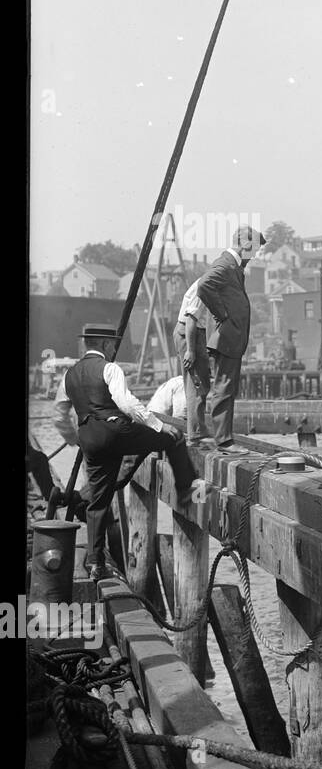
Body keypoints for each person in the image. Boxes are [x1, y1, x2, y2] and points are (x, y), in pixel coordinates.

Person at [52, 323, 198, 581]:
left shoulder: (69, 375)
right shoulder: (109, 368)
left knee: (98, 502)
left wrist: (75, 438)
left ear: (87, 344)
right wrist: (159, 426)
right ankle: (187, 490)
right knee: (171, 439)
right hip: (116, 432)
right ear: (106, 345)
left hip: (90, 439)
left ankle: (95, 563)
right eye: (112, 345)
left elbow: (59, 414)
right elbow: (127, 404)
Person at [196, 225, 265, 448]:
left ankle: (224, 438)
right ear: (245, 244)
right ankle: (224, 442)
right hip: (226, 338)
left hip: (231, 339)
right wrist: (223, 315)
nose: (254, 256)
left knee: (227, 388)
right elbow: (204, 285)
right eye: (253, 250)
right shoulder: (226, 264)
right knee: (224, 389)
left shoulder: (234, 267)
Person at [174, 276, 213, 443]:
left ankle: (198, 429)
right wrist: (190, 350)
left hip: (193, 333)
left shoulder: (207, 283)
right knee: (196, 385)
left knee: (198, 383)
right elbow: (191, 319)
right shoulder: (206, 286)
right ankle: (196, 432)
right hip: (191, 334)